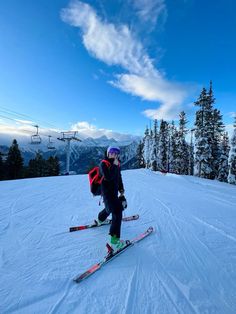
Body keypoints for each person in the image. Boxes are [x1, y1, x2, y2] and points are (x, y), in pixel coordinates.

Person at [96, 146, 127, 253]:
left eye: (116, 153)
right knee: (117, 211)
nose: (114, 155)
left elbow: (118, 177)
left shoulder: (117, 164)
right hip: (107, 193)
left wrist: (121, 188)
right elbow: (108, 177)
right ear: (108, 153)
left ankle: (100, 219)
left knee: (110, 208)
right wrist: (114, 166)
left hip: (113, 192)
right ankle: (114, 242)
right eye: (112, 152)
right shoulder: (103, 164)